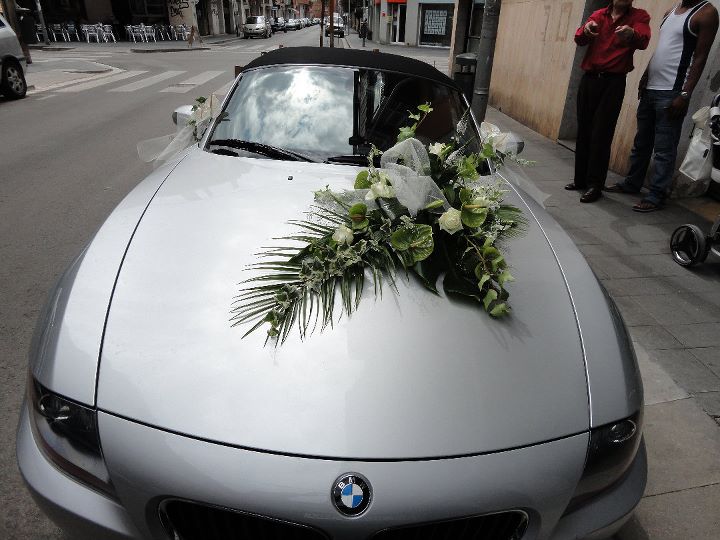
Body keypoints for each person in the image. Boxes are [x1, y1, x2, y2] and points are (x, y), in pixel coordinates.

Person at [606, 0, 719, 212]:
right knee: (642, 142)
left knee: (664, 149)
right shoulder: (671, 11)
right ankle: (632, 183)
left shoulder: (706, 13)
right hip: (651, 88)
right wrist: (645, 76)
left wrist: (685, 94)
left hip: (672, 92)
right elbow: (662, 49)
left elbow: (700, 58)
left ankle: (657, 194)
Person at [567, 1, 651, 203]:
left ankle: (595, 185)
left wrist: (631, 34)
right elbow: (579, 39)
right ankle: (580, 180)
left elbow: (643, 41)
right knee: (584, 130)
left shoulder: (639, 17)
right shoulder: (598, 14)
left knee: (601, 134)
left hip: (613, 82)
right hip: (589, 79)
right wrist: (586, 30)